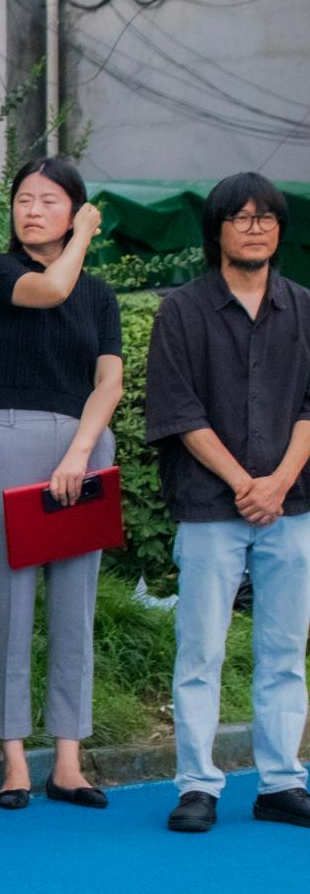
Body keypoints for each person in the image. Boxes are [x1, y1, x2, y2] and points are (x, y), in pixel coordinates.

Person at [147, 172, 310, 833]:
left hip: (292, 504)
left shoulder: (304, 307)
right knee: (201, 651)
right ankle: (196, 785)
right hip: (210, 506)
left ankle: (281, 782)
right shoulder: (181, 311)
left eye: (266, 217)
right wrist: (246, 483)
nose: (255, 227)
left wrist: (278, 482)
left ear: (279, 228)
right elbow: (179, 409)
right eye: (240, 217)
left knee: (285, 649)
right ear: (216, 230)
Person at [0, 157, 123, 812]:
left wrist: (81, 452)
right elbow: (54, 289)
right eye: (24, 199)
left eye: (50, 200)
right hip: (9, 435)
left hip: (83, 443)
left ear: (74, 207)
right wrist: (83, 232)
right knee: (11, 598)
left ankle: (67, 759)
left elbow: (109, 382)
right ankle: (12, 760)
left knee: (74, 602)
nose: (33, 210)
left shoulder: (101, 294)